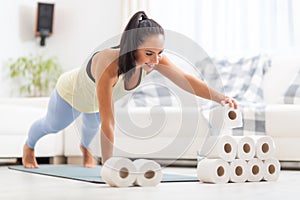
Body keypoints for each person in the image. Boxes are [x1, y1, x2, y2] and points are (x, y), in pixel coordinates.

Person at [22, 11, 238, 168]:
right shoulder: (108, 64)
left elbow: (185, 80)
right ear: (134, 47)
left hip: (94, 102)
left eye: (160, 52)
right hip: (71, 94)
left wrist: (220, 98)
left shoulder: (154, 60)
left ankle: (85, 149)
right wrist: (109, 166)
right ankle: (29, 147)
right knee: (52, 125)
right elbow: (109, 121)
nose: (156, 60)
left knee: (89, 129)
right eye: (149, 53)